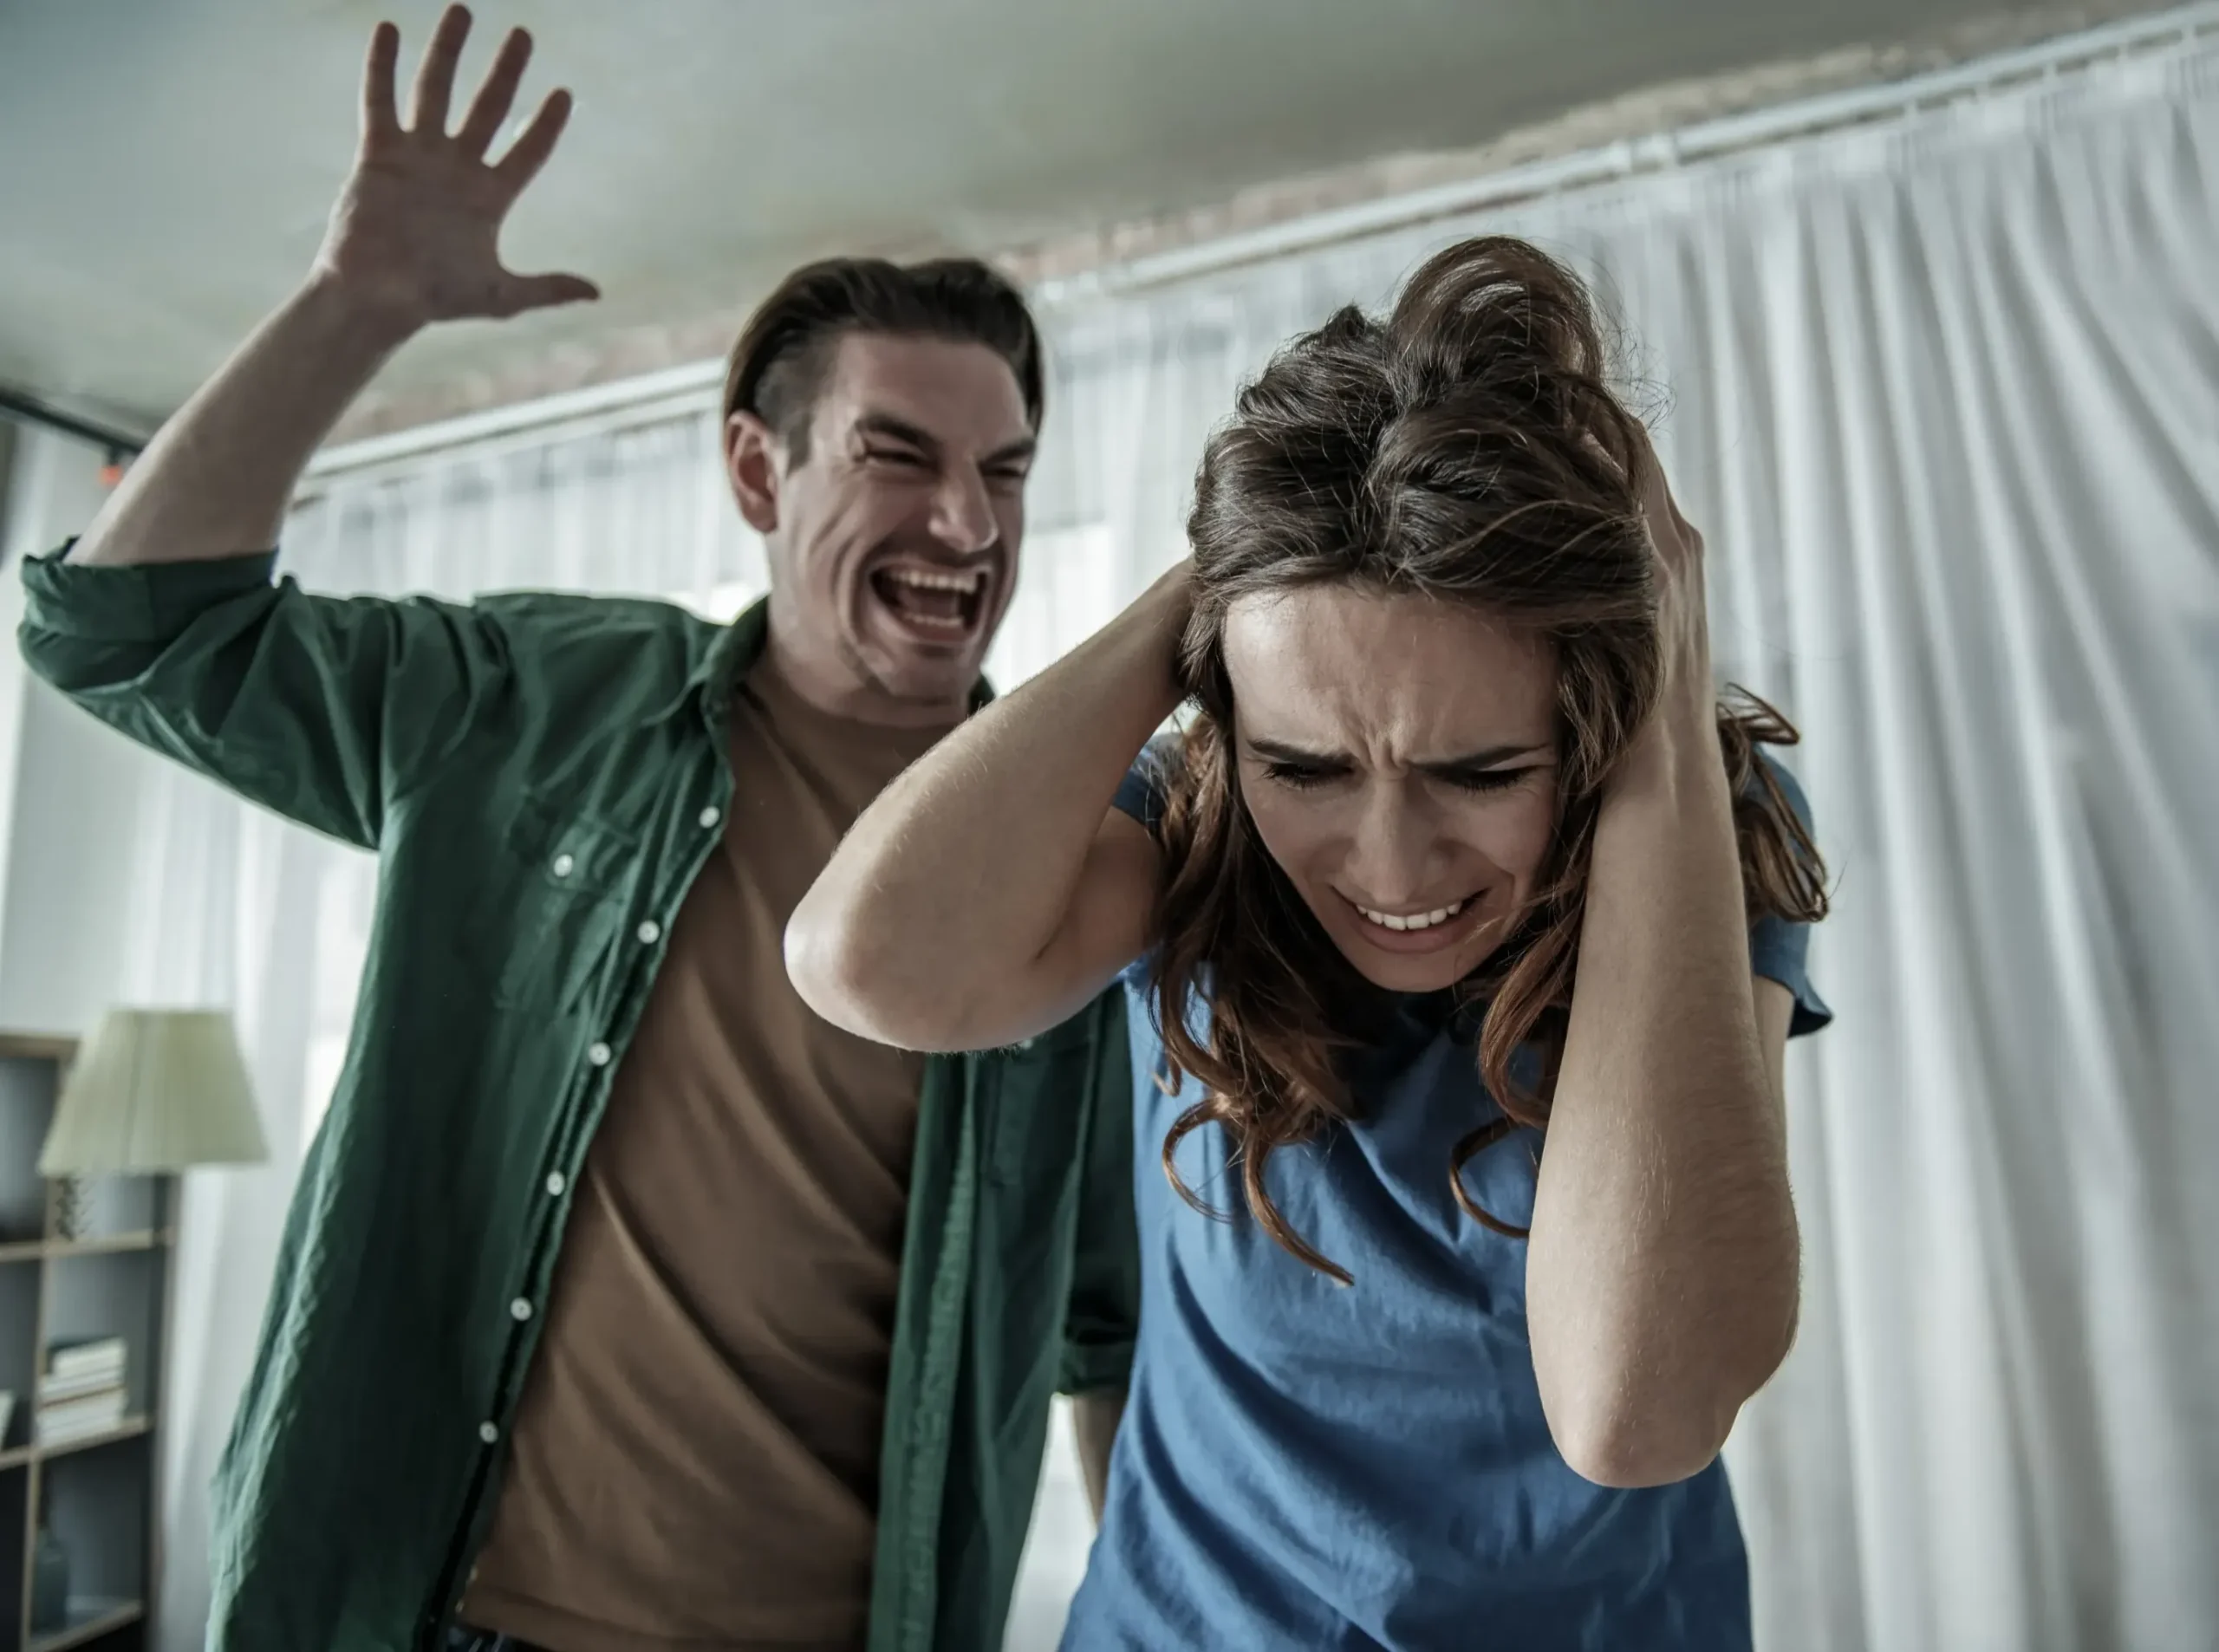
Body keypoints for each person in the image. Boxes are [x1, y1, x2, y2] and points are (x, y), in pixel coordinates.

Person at [18, 10, 1137, 1652]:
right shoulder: (534, 704)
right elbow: (125, 635)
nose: (967, 524)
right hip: (453, 1620)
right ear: (759, 474)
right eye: (900, 456)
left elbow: (1100, 1323)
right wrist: (357, 307)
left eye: (1007, 472)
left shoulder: (1074, 849)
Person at [788, 234, 1834, 1650]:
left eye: (1478, 774)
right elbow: (862, 959)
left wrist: (1661, 683)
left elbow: (1634, 1413)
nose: (1393, 871)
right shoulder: (1193, 821)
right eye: (1310, 769)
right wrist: (1234, 580)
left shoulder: (1700, 813)